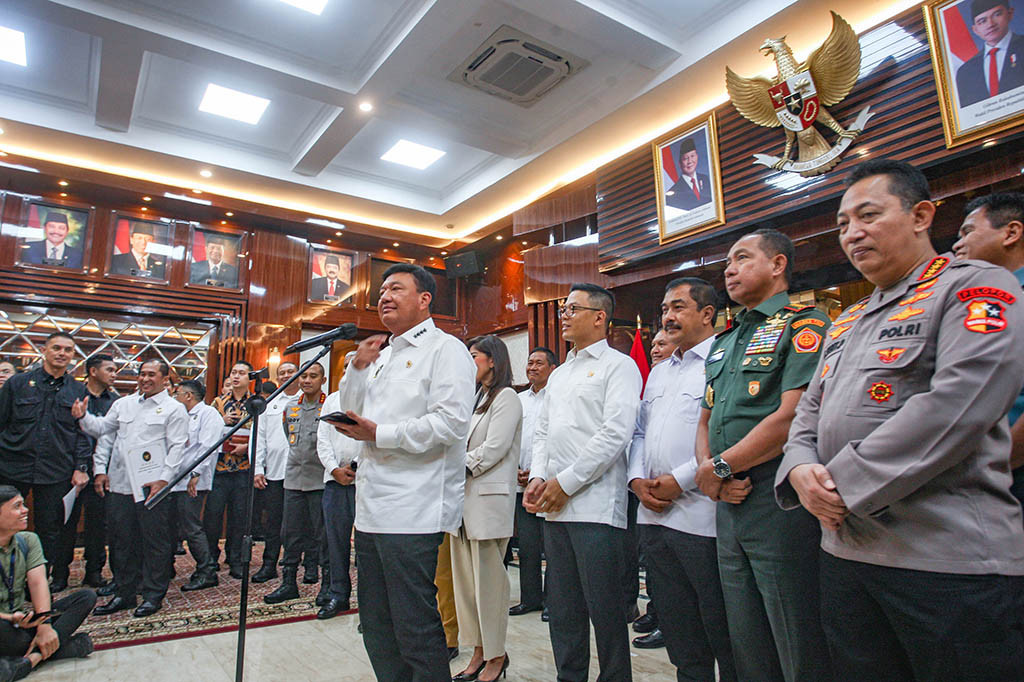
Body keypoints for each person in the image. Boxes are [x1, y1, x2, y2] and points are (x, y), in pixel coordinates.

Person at [776, 159, 1024, 680]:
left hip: (944, 561)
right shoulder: (847, 319)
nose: (852, 233)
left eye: (868, 215)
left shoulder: (975, 287)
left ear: (921, 215)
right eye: (842, 224)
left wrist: (841, 482)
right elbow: (807, 416)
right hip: (845, 551)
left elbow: (960, 403)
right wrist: (799, 472)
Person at [695, 228, 833, 682]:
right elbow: (705, 418)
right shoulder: (725, 339)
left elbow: (792, 417)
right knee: (746, 636)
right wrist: (709, 473)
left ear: (777, 265)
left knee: (794, 633)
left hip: (776, 496)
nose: (729, 270)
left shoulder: (804, 324)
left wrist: (719, 467)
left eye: (742, 258)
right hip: (727, 501)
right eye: (727, 263)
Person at [332, 263, 476, 681]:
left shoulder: (444, 349)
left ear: (424, 299)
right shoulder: (381, 354)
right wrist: (357, 369)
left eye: (396, 288)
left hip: (416, 506)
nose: (384, 296)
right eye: (381, 290)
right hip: (372, 504)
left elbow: (451, 424)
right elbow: (353, 412)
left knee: (414, 624)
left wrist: (382, 433)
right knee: (376, 624)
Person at [524, 283, 642, 682]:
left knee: (605, 611)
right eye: (563, 308)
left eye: (573, 308)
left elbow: (615, 434)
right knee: (564, 608)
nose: (564, 314)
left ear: (599, 317)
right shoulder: (559, 376)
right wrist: (540, 478)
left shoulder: (618, 366)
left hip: (595, 508)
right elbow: (542, 432)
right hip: (554, 508)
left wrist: (566, 483)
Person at [628, 278, 741, 681]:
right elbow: (640, 432)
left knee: (721, 629)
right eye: (664, 309)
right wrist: (637, 479)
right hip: (654, 517)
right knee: (679, 631)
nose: (668, 317)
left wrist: (680, 480)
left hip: (702, 519)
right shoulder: (659, 373)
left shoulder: (726, 360)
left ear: (707, 314)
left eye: (678, 307)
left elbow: (730, 436)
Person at [74, 358, 189, 617]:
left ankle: (152, 595)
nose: (145, 379)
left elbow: (178, 448)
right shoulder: (122, 404)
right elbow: (103, 430)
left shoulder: (174, 409)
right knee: (121, 542)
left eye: (151, 374)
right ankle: (124, 593)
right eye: (142, 374)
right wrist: (84, 417)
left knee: (154, 544)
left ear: (164, 379)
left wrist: (164, 480)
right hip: (121, 487)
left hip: (152, 488)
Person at [450, 336, 521, 682]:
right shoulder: (473, 398)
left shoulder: (506, 397)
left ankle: (497, 655)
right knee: (467, 586)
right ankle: (478, 651)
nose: (469, 363)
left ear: (492, 360)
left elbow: (493, 450)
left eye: (474, 356)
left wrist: (452, 463)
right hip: (461, 503)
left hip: (488, 501)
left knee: (490, 585)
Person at [0, 332, 91, 594]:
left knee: (49, 531)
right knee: (4, 524)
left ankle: (35, 584)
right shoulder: (18, 383)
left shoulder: (77, 390)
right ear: (45, 351)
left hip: (55, 471)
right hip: (12, 466)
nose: (62, 353)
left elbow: (81, 432)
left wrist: (80, 467)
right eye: (57, 348)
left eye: (68, 350)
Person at [952, 191, 1024, 509]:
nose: (957, 245)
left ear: (1010, 232)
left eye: (968, 231)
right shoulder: (972, 304)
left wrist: (996, 467)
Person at [0, 486, 95, 678]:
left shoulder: (28, 540)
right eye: (17, 506)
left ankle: (30, 659)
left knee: (86, 597)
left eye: (24, 505)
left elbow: (38, 583)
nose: (25, 510)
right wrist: (10, 618)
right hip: (4, 622)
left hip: (22, 624)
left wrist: (44, 624)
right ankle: (64, 648)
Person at [264, 363, 329, 606]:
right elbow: (288, 436)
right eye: (304, 376)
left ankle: (326, 585)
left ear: (322, 380)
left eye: (313, 376)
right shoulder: (290, 408)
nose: (307, 380)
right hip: (292, 479)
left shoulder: (328, 407)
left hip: (319, 481)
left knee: (321, 536)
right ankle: (288, 582)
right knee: (289, 533)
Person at [58, 354, 118, 592]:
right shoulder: (73, 396)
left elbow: (110, 438)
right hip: (69, 469)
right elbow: (71, 435)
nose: (114, 374)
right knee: (65, 524)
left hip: (101, 472)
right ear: (93, 371)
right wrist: (79, 467)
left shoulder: (114, 401)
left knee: (98, 525)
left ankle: (94, 571)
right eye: (109, 369)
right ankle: (60, 572)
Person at [508, 347, 557, 619]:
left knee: (552, 549)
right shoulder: (518, 400)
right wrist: (514, 469)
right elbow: (510, 437)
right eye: (530, 363)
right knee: (527, 547)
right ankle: (530, 599)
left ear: (552, 368)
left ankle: (553, 601)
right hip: (521, 485)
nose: (533, 367)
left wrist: (541, 473)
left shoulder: (559, 398)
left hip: (548, 484)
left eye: (539, 363)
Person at [316, 353, 358, 620]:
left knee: (366, 548)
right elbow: (322, 439)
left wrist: (353, 467)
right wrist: (334, 469)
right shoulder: (331, 399)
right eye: (346, 367)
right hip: (334, 482)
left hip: (363, 481)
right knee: (335, 543)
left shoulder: (376, 399)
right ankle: (338, 595)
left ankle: (370, 606)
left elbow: (373, 440)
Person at [171, 379, 221, 591]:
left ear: (188, 396)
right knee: (174, 527)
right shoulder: (180, 415)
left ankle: (207, 570)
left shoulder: (208, 414)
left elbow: (207, 447)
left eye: (178, 394)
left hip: (193, 481)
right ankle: (167, 567)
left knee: (192, 528)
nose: (176, 398)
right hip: (175, 480)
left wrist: (195, 473)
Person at [206, 361, 254, 579]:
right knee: (213, 516)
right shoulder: (217, 402)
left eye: (241, 373)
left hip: (244, 469)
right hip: (219, 469)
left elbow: (263, 434)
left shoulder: (257, 403)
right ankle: (209, 559)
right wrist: (220, 421)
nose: (236, 377)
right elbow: (206, 433)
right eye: (233, 373)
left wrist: (248, 447)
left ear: (249, 378)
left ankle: (235, 559)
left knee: (239, 518)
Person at [253, 361, 299, 584]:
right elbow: (258, 437)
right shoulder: (268, 403)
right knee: (273, 524)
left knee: (300, 524)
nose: (286, 376)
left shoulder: (307, 399)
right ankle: (269, 564)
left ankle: (303, 567)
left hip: (302, 474)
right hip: (274, 473)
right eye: (282, 373)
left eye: (291, 372)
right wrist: (258, 469)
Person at [955, 1, 1024, 107]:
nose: (990, 24)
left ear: (1010, 14)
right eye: (982, 21)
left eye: (997, 14)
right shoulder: (965, 72)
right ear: (975, 30)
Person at [665, 137, 712, 211]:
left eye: (692, 156)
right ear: (680, 163)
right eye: (685, 158)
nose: (690, 161)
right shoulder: (674, 190)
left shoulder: (705, 179)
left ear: (697, 157)